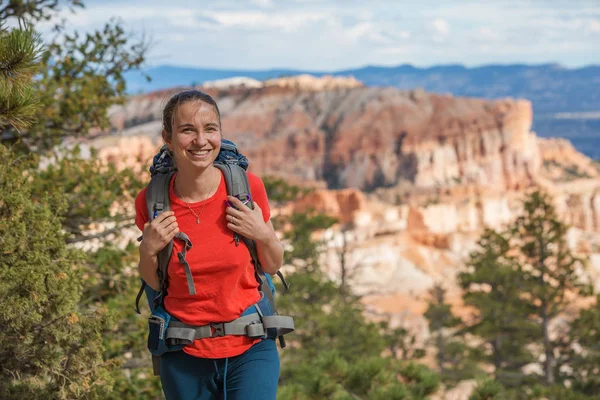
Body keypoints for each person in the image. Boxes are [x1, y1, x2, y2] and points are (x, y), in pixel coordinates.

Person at [134, 89, 284, 400]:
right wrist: (147, 250)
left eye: (210, 129)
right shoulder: (151, 201)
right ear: (168, 137)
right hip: (183, 351)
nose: (201, 140)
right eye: (188, 130)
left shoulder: (246, 188)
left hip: (251, 345)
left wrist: (264, 234)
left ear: (219, 133)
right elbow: (155, 283)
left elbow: (272, 264)